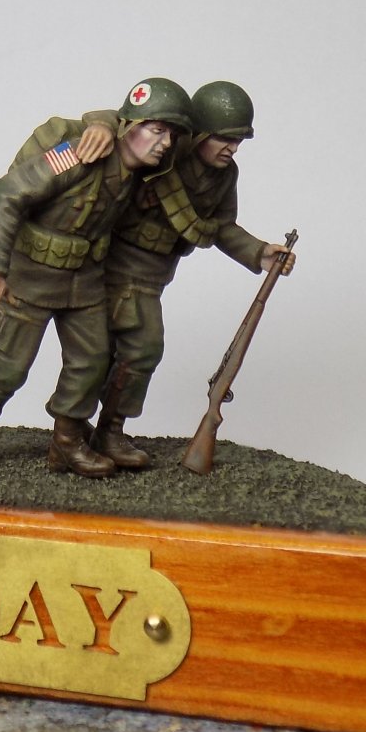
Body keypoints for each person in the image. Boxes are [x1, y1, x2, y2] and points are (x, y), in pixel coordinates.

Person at [0, 78, 193, 477]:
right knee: (9, 367)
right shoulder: (79, 154)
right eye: (156, 130)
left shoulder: (143, 175)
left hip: (85, 281)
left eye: (172, 135)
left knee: (91, 361)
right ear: (130, 127)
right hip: (33, 277)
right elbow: (5, 194)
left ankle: (66, 442)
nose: (165, 143)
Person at [75, 81, 296, 468]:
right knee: (139, 348)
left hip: (157, 273)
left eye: (238, 140)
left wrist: (260, 251)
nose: (232, 148)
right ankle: (101, 431)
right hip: (117, 264)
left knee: (111, 352)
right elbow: (126, 120)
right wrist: (101, 126)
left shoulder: (224, 175)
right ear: (199, 134)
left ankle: (84, 428)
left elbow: (222, 226)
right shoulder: (164, 151)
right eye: (225, 138)